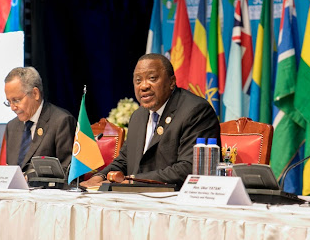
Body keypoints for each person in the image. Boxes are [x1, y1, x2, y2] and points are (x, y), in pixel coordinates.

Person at [81, 53, 221, 190]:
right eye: (138, 80)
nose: (143, 86)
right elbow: (124, 159)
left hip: (175, 199)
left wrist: (132, 181)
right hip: (137, 197)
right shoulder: (139, 115)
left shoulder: (195, 111)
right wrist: (98, 177)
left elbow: (189, 167)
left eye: (152, 78)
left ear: (171, 82)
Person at [3, 66, 76, 173]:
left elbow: (67, 171)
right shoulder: (12, 126)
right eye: (9, 102)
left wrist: (30, 178)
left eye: (16, 100)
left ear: (35, 94)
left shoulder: (62, 121)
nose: (13, 107)